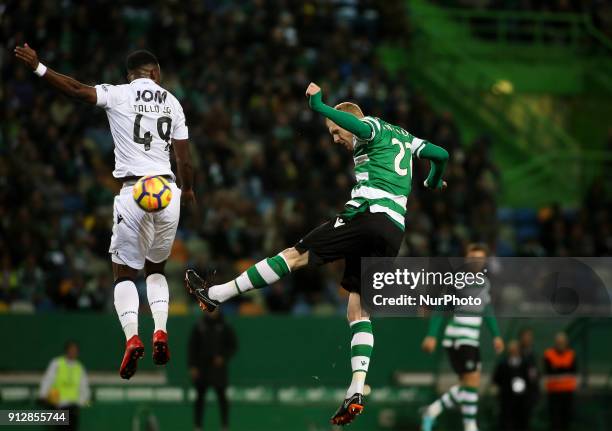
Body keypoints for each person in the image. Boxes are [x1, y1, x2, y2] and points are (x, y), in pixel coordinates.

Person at [185, 82, 449, 425]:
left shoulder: (370, 127)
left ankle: (216, 294)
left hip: (366, 215)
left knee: (295, 256)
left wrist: (320, 107)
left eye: (335, 131)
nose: (334, 139)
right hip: (393, 231)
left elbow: (357, 125)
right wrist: (431, 180)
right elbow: (441, 155)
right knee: (358, 310)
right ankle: (356, 387)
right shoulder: (406, 138)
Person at [14, 44, 195, 379]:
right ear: (155, 73)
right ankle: (160, 330)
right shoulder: (173, 102)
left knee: (124, 274)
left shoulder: (120, 94)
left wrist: (40, 67)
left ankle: (132, 338)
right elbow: (183, 159)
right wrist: (190, 191)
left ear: (132, 75)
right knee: (156, 270)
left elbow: (76, 90)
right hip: (168, 191)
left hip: (134, 190)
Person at [421, 243, 504, 431]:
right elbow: (441, 307)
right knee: (471, 381)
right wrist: (432, 335)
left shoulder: (484, 283)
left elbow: (487, 310)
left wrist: (496, 335)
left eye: (480, 258)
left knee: (469, 384)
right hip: (460, 337)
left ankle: (462, 422)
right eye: (473, 257)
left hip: (471, 339)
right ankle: (461, 421)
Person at [188, 310, 237, 431]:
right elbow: (192, 347)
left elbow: (233, 345)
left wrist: (223, 357)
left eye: (214, 308)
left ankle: (225, 426)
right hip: (202, 367)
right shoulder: (199, 326)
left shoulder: (224, 325)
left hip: (218, 368)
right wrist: (192, 366)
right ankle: (198, 426)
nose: (211, 311)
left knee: (222, 397)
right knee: (200, 397)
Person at [39, 341, 91, 430]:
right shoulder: (57, 363)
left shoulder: (79, 367)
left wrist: (81, 402)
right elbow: (48, 380)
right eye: (71, 350)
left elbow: (84, 388)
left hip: (73, 407)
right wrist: (43, 395)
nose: (73, 352)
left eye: (75, 351)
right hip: (58, 406)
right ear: (66, 351)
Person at [493, 340, 531, 431]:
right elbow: (496, 379)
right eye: (511, 350)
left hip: (522, 400)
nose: (513, 352)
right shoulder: (503, 364)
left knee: (522, 423)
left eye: (515, 350)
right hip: (507, 400)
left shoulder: (526, 363)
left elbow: (531, 380)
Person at [544, 332, 577, 431]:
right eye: (558, 342)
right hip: (554, 393)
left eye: (562, 342)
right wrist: (564, 368)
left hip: (567, 392)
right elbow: (549, 370)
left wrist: (557, 368)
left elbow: (573, 370)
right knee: (555, 419)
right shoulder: (549, 354)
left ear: (566, 343)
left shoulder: (571, 354)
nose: (560, 345)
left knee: (566, 418)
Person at [519, 327, 540, 430]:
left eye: (529, 337)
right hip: (517, 396)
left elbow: (536, 373)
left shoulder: (534, 354)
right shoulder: (516, 353)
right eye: (525, 336)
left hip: (530, 394)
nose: (527, 339)